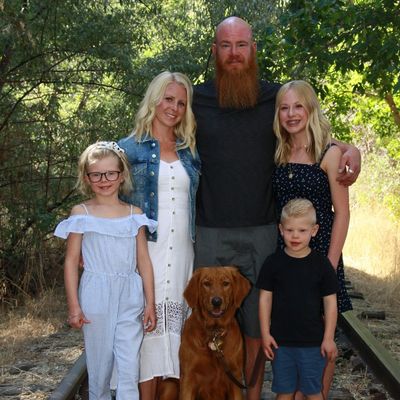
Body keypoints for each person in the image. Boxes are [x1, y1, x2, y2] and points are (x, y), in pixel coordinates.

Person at [192, 16, 360, 400]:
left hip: (265, 234)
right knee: (210, 325)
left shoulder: (273, 98)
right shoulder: (196, 99)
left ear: (254, 49)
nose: (234, 53)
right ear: (215, 51)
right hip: (211, 230)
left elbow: (310, 128)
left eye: (242, 45)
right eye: (226, 45)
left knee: (260, 326)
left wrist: (352, 149)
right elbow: (160, 126)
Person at [118, 71, 200, 399]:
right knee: (146, 332)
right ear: (154, 100)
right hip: (146, 251)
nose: (174, 108)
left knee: (177, 337)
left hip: (182, 252)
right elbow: (105, 196)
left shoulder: (190, 150)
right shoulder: (126, 149)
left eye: (181, 103)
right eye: (168, 99)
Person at [54, 141, 157, 400]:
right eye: (96, 174)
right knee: (99, 368)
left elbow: (143, 260)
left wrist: (150, 303)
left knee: (129, 367)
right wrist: (74, 306)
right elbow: (71, 261)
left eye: (111, 173)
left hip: (130, 294)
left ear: (122, 175)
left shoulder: (134, 214)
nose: (104, 180)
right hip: (95, 294)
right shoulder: (81, 213)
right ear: (86, 178)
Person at [272, 80, 352, 399]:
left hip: (321, 256)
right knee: (291, 330)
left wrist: (328, 267)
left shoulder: (329, 154)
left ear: (311, 109)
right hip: (287, 257)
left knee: (322, 331)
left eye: (298, 106)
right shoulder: (277, 151)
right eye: (284, 108)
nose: (291, 114)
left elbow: (342, 214)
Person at [257, 198, 338, 400]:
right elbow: (265, 300)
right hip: (281, 342)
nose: (295, 235)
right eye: (289, 230)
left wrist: (328, 338)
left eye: (302, 230)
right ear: (281, 229)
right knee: (284, 391)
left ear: (314, 230)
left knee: (313, 391)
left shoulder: (322, 265)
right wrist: (265, 334)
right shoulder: (273, 263)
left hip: (313, 343)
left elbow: (330, 303)